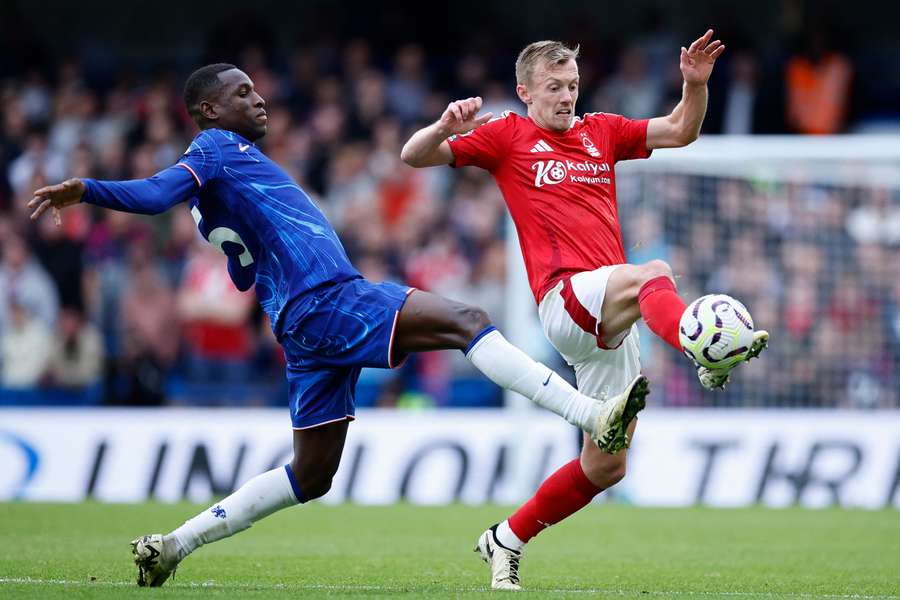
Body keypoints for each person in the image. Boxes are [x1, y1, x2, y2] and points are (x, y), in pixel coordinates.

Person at [27, 63, 649, 587]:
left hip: (301, 321)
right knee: (468, 320)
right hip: (326, 299)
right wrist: (88, 189)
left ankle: (174, 546)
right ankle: (590, 415)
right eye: (241, 93)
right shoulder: (213, 152)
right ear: (207, 111)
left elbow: (236, 258)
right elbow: (155, 192)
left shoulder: (225, 172)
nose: (258, 97)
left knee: (312, 474)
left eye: (255, 88)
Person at [401, 29, 768, 590]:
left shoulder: (602, 130)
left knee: (606, 465)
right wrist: (445, 127)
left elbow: (680, 131)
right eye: (553, 87)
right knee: (656, 273)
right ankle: (702, 347)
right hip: (567, 299)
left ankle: (507, 538)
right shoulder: (506, 134)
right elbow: (414, 156)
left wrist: (695, 86)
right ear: (525, 91)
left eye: (572, 85)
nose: (566, 96)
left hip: (611, 320)